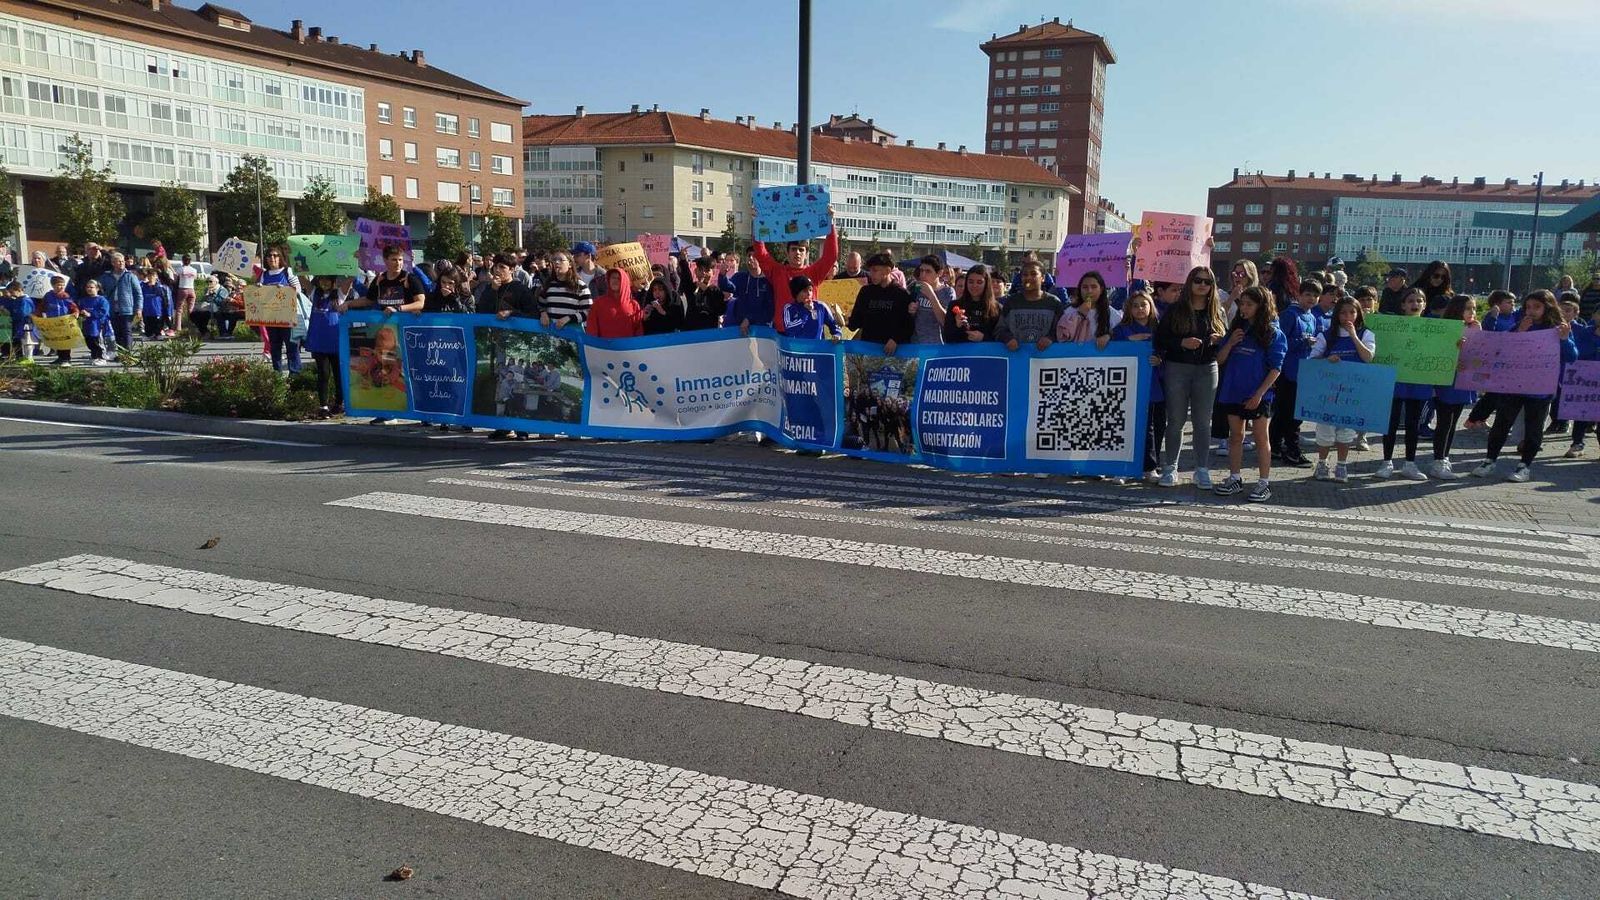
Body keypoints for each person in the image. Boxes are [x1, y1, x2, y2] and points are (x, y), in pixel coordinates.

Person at [1471, 290, 1577, 482]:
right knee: (1501, 424)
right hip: (1514, 386)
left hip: (1540, 389)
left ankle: (1524, 465)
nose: (1531, 311)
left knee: (1533, 428)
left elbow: (1572, 357)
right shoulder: (1519, 325)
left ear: (1548, 307)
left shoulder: (1558, 328)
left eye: (1537, 307)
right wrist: (1519, 332)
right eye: (1528, 307)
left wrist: (1564, 339)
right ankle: (1489, 460)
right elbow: (1502, 347)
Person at [1153, 266, 1226, 489]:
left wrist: (1220, 338)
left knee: (1203, 422)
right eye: (1198, 281)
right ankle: (1170, 467)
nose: (1202, 285)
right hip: (1178, 367)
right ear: (1190, 283)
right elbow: (1161, 339)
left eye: (1207, 282)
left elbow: (1228, 337)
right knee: (1175, 420)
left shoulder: (1217, 311)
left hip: (1207, 368)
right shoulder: (1176, 310)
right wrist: (1181, 342)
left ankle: (1201, 469)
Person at [1214, 285, 1286, 501]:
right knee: (1235, 436)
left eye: (1249, 304)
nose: (1243, 308)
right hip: (1233, 391)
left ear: (1261, 306)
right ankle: (1234, 477)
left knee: (1261, 438)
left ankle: (1264, 482)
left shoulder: (1273, 333)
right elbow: (1219, 359)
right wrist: (1230, 343)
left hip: (1259, 394)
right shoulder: (1237, 328)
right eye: (1242, 303)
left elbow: (1276, 368)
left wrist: (1259, 395)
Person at [1309, 297, 1377, 482]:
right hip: (1328, 393)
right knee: (1325, 430)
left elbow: (1368, 358)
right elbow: (1311, 362)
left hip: (1352, 393)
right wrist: (1326, 361)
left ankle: (1341, 465)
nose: (1348, 316)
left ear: (1358, 314)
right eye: (1343, 312)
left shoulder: (1366, 334)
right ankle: (1322, 463)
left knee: (1346, 431)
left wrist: (1354, 336)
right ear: (1337, 314)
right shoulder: (1326, 335)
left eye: (1352, 312)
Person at [1376, 288, 1434, 481]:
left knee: (1413, 424)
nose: (1415, 304)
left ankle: (1410, 463)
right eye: (1410, 300)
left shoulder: (1433, 328)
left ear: (1424, 304)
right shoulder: (1392, 325)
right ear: (1403, 305)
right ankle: (1387, 462)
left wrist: (1456, 344)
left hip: (1418, 381)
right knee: (1390, 423)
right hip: (1394, 380)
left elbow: (1441, 350)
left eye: (1419, 300)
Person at [750, 215, 839, 333]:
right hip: (785, 334)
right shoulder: (777, 272)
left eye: (801, 250)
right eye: (793, 249)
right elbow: (761, 254)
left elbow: (831, 255)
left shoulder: (814, 273)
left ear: (806, 253)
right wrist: (757, 222)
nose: (797, 253)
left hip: (811, 335)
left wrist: (830, 223)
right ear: (787, 252)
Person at [1112, 289, 1164, 481]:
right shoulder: (1122, 329)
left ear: (1151, 306)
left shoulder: (1159, 328)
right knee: (1125, 425)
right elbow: (1111, 349)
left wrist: (1159, 359)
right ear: (1129, 309)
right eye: (1135, 305)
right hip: (1126, 384)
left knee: (1148, 426)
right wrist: (1128, 341)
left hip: (1151, 384)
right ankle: (1123, 468)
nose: (1140, 309)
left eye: (1144, 304)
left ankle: (1149, 467)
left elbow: (1167, 350)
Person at [1429, 294, 1480, 479]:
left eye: (1474, 308)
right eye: (1468, 308)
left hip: (1464, 380)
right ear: (1457, 309)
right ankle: (1438, 460)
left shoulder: (1474, 327)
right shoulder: (1447, 327)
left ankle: (1445, 457)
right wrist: (1454, 351)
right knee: (1444, 421)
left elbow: (1479, 355)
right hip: (1447, 380)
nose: (1472, 312)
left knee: (1453, 422)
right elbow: (1438, 351)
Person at [1270, 277, 1320, 466]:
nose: (1311, 299)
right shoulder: (1290, 314)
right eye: (1308, 294)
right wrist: (1303, 342)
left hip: (1304, 372)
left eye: (1315, 295)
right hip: (1288, 372)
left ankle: (1277, 445)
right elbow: (1280, 342)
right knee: (1286, 412)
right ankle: (1289, 449)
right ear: (1299, 295)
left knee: (1293, 413)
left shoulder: (1312, 317)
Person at [847, 252, 916, 352]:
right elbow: (856, 321)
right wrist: (844, 320)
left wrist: (896, 339)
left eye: (875, 270)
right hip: (868, 349)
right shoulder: (866, 292)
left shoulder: (901, 294)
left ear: (888, 270)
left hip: (892, 352)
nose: (871, 274)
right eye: (870, 270)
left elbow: (908, 324)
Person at [304, 274, 351, 417]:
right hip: (319, 341)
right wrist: (291, 258)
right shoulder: (314, 293)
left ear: (333, 281)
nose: (324, 282)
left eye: (327, 279)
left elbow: (350, 280)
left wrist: (353, 262)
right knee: (323, 374)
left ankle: (339, 403)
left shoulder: (339, 294)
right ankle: (323, 406)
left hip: (336, 341)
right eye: (321, 279)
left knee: (338, 373)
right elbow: (301, 276)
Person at [995, 258, 1063, 353]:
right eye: (1025, 275)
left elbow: (1063, 330)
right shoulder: (1011, 302)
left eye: (1033, 274)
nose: (1028, 278)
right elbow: (999, 330)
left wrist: (1051, 338)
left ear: (1043, 278)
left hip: (1045, 359)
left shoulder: (1053, 302)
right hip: (1016, 357)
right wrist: (1008, 338)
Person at [255, 247, 303, 373]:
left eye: (275, 255)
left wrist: (285, 289)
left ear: (280, 257)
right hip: (272, 317)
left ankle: (295, 376)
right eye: (269, 256)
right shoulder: (264, 275)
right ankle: (277, 375)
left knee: (292, 347)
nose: (272, 258)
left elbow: (298, 289)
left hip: (288, 316)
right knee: (275, 348)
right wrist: (258, 289)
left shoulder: (288, 272)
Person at [1566, 301, 1600, 458]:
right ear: (1594, 315)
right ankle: (1577, 443)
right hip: (1584, 383)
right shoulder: (1583, 332)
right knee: (1581, 413)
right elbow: (1566, 323)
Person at [1055, 271, 1121, 348]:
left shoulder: (1111, 313)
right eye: (1085, 287)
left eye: (1094, 287)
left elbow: (1122, 336)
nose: (1089, 291)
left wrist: (1109, 336)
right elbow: (1061, 337)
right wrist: (1079, 314)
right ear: (1080, 290)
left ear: (1101, 290)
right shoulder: (1069, 311)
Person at [944, 264, 1003, 343]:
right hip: (961, 353)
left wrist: (983, 337)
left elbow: (1001, 337)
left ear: (986, 284)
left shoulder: (996, 308)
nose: (974, 285)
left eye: (979, 282)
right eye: (971, 282)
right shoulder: (954, 305)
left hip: (986, 354)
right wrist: (957, 326)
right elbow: (947, 338)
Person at [536, 250, 591, 329]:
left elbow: (589, 312)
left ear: (570, 264)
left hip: (573, 334)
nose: (557, 262)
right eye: (554, 260)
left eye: (561, 260)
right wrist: (543, 313)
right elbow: (540, 306)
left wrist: (569, 318)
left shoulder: (580, 286)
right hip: (552, 335)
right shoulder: (548, 285)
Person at [98, 252, 140, 352]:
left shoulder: (130, 276)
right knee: (116, 331)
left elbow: (138, 293)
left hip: (127, 308)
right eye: (119, 261)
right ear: (113, 263)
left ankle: (127, 353)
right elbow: (100, 290)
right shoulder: (106, 276)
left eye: (122, 261)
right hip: (112, 307)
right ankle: (120, 353)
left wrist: (139, 308)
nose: (121, 263)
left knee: (126, 331)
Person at [724, 252, 774, 333]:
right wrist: (722, 276)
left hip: (762, 330)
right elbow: (727, 288)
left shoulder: (769, 281)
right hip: (739, 329)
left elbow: (770, 308)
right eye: (748, 255)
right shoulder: (739, 277)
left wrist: (749, 319)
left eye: (754, 255)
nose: (750, 258)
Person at [586, 269, 644, 339]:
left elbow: (639, 332)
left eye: (619, 278)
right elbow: (592, 331)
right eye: (613, 277)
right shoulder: (598, 303)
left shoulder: (634, 305)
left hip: (628, 348)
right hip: (604, 348)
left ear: (624, 282)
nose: (615, 280)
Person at [781, 275, 843, 340]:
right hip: (798, 348)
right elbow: (789, 330)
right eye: (805, 291)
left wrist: (837, 334)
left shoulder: (821, 306)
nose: (809, 293)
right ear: (797, 293)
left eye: (810, 290)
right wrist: (805, 312)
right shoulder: (789, 308)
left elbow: (834, 325)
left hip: (818, 348)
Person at [36, 274, 79, 365]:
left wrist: (75, 312)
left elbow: (73, 306)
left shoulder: (66, 296)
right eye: (59, 285)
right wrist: (38, 315)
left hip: (64, 322)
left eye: (63, 285)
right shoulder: (48, 296)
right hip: (53, 321)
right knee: (57, 341)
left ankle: (66, 359)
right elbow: (42, 307)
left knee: (65, 341)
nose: (61, 287)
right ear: (53, 285)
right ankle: (60, 357)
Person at [909, 254, 952, 344]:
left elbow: (946, 321)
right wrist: (911, 310)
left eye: (928, 271)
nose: (923, 275)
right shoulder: (916, 287)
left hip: (937, 345)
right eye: (921, 270)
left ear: (939, 273)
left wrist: (931, 295)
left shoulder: (948, 291)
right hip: (916, 343)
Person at [75, 277, 112, 366]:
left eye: (91, 287)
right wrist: (80, 313)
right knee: (89, 341)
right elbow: (79, 309)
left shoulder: (102, 300)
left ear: (97, 288)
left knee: (97, 341)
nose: (89, 289)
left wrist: (91, 314)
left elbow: (103, 312)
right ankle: (94, 356)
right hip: (87, 325)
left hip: (98, 325)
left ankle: (101, 357)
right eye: (87, 287)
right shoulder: (84, 300)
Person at [684, 256, 727, 330]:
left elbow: (721, 310)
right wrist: (683, 261)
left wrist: (707, 290)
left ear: (713, 272)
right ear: (696, 271)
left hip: (709, 332)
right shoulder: (692, 287)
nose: (704, 273)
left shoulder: (716, 290)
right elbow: (685, 277)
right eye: (700, 269)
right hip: (691, 331)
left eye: (707, 270)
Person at [137, 267, 172, 342]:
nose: (151, 277)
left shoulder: (161, 287)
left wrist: (168, 312)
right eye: (149, 275)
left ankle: (158, 333)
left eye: (153, 275)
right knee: (148, 323)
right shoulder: (143, 286)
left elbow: (167, 300)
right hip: (147, 310)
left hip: (158, 310)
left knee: (158, 323)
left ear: (156, 276)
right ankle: (149, 334)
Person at [174, 254, 199, 333]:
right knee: (191, 309)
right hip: (191, 289)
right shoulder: (194, 270)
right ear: (190, 261)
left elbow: (175, 279)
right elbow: (195, 278)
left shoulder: (180, 269)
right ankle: (192, 326)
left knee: (179, 309)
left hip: (182, 289)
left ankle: (178, 327)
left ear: (182, 261)